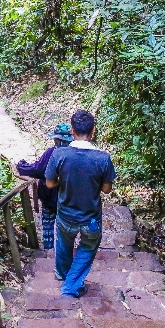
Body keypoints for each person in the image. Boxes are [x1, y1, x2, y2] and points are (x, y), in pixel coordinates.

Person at [44, 110, 116, 298]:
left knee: (64, 243)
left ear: (72, 131)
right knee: (88, 247)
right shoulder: (103, 158)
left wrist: (65, 180)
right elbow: (107, 189)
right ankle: (71, 285)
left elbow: (50, 183)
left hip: (66, 214)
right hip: (90, 218)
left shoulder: (59, 154)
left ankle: (62, 274)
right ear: (93, 130)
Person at [16, 124, 73, 250]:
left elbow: (38, 169)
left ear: (56, 139)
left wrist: (22, 166)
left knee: (48, 224)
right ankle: (63, 250)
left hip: (49, 196)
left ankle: (48, 250)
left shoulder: (51, 153)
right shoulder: (76, 155)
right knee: (64, 226)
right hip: (68, 199)